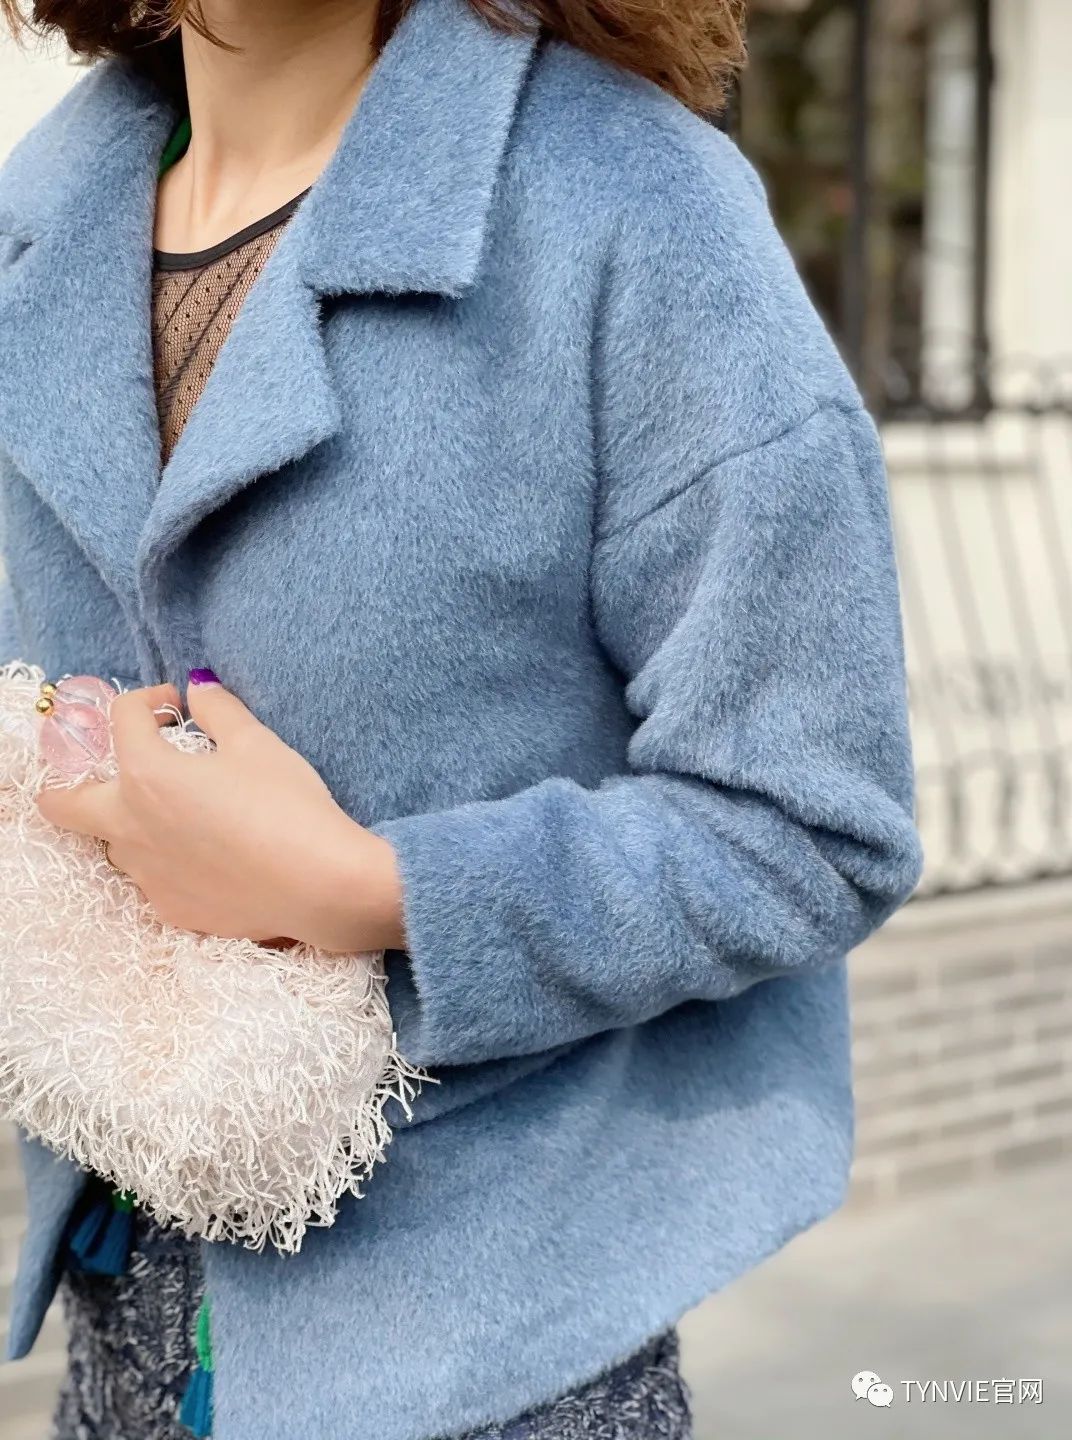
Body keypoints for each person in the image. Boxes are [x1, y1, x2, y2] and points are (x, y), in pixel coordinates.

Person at [0, 0, 924, 1436]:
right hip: (117, 1313)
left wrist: (371, 892)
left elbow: (812, 825)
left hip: (491, 1350)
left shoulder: (633, 209)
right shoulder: (41, 219)